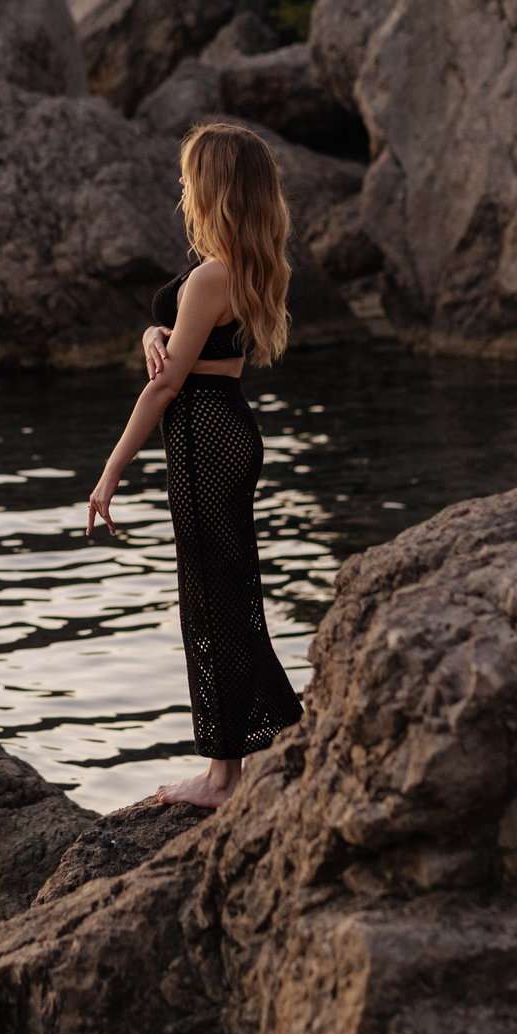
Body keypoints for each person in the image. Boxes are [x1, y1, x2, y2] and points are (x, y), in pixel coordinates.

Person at [85, 123, 305, 808]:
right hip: (229, 426)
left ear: (214, 189)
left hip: (202, 435)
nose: (183, 189)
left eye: (190, 178)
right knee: (230, 595)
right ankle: (280, 735)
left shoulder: (213, 275)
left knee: (211, 603)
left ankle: (223, 775)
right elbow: (175, 342)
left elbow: (163, 384)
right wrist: (153, 329)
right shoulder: (239, 266)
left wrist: (111, 470)